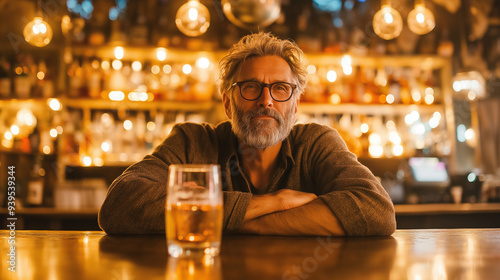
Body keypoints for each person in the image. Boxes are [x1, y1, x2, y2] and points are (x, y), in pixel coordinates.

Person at [98, 32, 396, 236]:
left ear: (295, 106)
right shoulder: (193, 142)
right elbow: (120, 205)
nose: (266, 101)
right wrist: (273, 202)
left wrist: (226, 221)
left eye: (280, 88)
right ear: (228, 103)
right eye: (251, 87)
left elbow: (376, 211)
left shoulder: (316, 143)